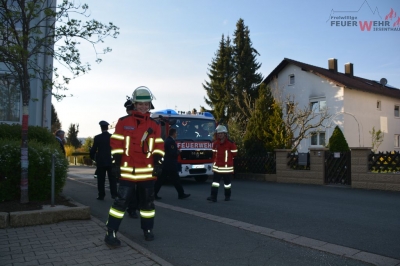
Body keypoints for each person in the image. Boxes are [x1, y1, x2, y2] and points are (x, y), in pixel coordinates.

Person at [104, 86, 164, 246]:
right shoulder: (123, 122)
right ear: (134, 104)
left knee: (148, 204)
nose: (143, 107)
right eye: (140, 104)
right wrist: (116, 163)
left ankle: (148, 229)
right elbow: (116, 143)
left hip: (147, 171)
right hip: (127, 170)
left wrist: (158, 162)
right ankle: (111, 232)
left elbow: (159, 145)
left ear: (150, 105)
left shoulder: (155, 125)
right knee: (120, 203)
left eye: (146, 104)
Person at [154, 128, 190, 200]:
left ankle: (153, 194)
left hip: (167, 164)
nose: (177, 134)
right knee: (175, 180)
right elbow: (172, 153)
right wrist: (178, 152)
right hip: (170, 164)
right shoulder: (170, 142)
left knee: (161, 180)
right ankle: (181, 194)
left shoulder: (168, 140)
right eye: (176, 133)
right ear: (173, 133)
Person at [207, 125, 238, 202]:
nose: (219, 135)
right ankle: (213, 197)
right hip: (217, 168)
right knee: (215, 183)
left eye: (221, 133)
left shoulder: (230, 143)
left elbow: (235, 154)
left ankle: (227, 196)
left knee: (227, 184)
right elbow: (214, 155)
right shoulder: (215, 143)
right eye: (218, 133)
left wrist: (233, 146)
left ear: (225, 134)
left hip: (226, 169)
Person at [90, 121, 118, 200]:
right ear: (107, 127)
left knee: (101, 179)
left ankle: (101, 195)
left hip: (101, 161)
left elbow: (93, 149)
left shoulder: (97, 137)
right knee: (112, 179)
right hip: (111, 161)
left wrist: (93, 158)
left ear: (101, 128)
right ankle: (114, 194)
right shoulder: (112, 137)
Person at [124, 97, 139, 219]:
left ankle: (134, 207)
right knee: (130, 188)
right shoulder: (124, 124)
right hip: (128, 163)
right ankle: (132, 209)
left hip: (141, 162)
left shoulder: (141, 122)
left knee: (139, 188)